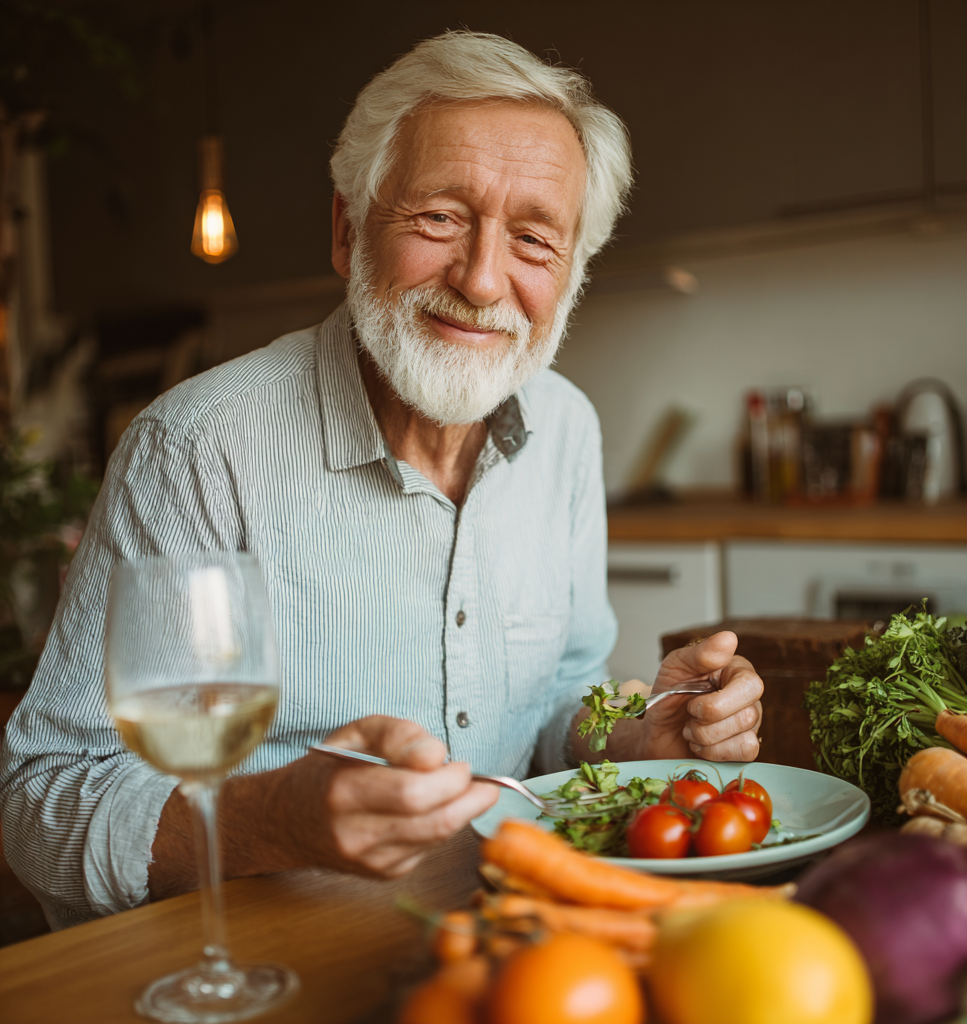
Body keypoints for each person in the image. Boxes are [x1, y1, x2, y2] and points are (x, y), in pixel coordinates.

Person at [0, 31, 763, 931]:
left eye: (532, 238)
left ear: (571, 273)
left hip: (511, 938)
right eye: (439, 216)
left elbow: (556, 698)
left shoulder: (566, 429)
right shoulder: (197, 447)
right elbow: (38, 798)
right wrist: (272, 822)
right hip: (263, 959)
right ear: (347, 229)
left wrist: (636, 738)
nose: (483, 279)